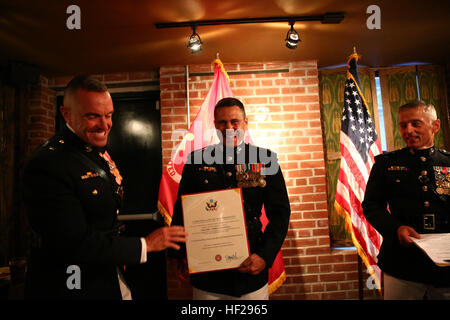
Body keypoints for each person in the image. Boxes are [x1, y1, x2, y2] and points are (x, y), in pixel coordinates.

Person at [22, 75, 187, 299]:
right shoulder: (49, 163)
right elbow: (73, 243)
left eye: (108, 115)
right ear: (66, 114)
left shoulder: (93, 153)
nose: (104, 124)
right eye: (92, 116)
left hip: (107, 272)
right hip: (72, 283)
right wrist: (144, 245)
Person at [171, 97, 291, 300]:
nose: (229, 128)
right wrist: (181, 254)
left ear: (245, 123)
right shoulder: (195, 162)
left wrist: (265, 256)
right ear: (215, 125)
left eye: (234, 122)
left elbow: (280, 214)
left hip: (250, 268)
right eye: (222, 122)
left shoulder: (265, 160)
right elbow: (182, 212)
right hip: (207, 273)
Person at [362, 101, 450, 300]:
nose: (408, 130)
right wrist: (396, 229)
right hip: (403, 263)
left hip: (445, 266)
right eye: (403, 125)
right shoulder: (387, 164)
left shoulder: (448, 163)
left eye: (416, 123)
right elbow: (372, 205)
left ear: (435, 126)